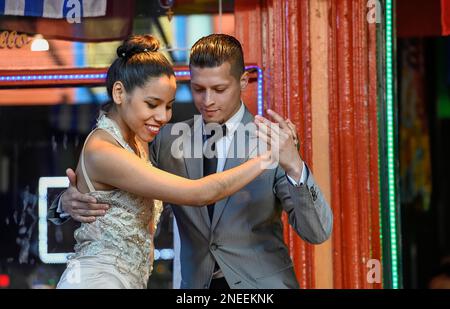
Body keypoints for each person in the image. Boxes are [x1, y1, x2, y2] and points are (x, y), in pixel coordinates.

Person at [50, 34, 333, 289]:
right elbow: (115, 181)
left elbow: (317, 231)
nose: (207, 100)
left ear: (243, 82)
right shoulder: (163, 139)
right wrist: (64, 203)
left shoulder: (273, 141)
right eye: (198, 89)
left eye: (219, 89)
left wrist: (295, 166)